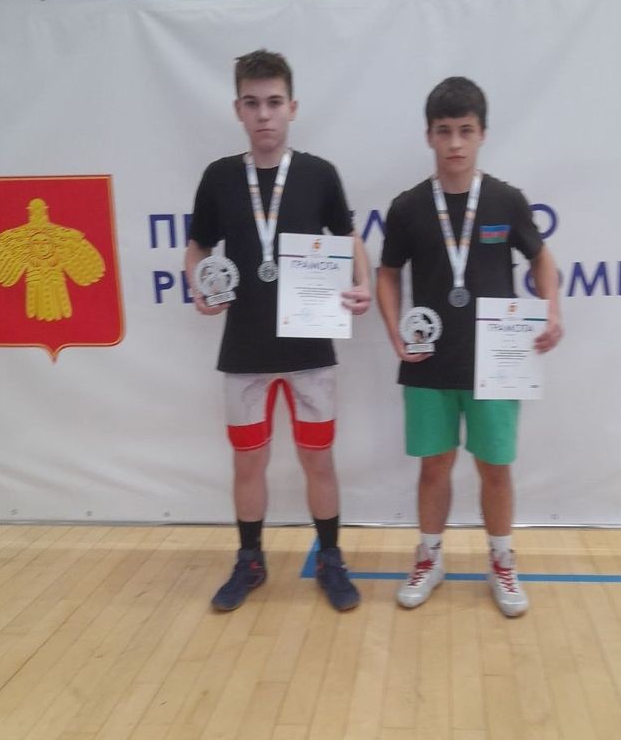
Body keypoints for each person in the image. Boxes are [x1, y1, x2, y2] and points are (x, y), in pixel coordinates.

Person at [186, 50, 371, 612]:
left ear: (292, 107)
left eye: (273, 102)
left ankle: (331, 557)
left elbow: (349, 238)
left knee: (319, 459)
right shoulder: (219, 177)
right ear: (237, 109)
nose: (263, 114)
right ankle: (250, 560)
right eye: (252, 103)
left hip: (310, 348)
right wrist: (199, 285)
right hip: (244, 351)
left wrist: (362, 282)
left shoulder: (319, 174)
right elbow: (197, 247)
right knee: (248, 463)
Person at [376, 77, 562, 617]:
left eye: (465, 130)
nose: (455, 143)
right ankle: (429, 557)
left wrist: (552, 309)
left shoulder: (505, 199)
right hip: (429, 360)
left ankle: (501, 560)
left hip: (497, 364)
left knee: (495, 468)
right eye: (444, 131)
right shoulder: (409, 206)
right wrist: (393, 329)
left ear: (482, 134)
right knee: (433, 467)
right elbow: (387, 273)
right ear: (428, 136)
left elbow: (541, 258)